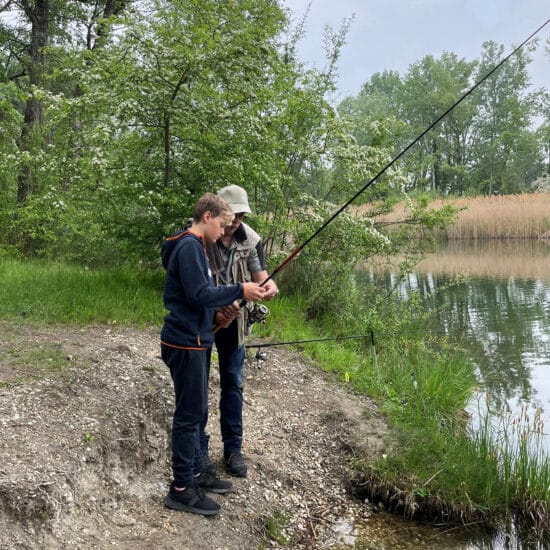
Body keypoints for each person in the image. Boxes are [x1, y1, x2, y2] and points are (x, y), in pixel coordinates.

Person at [160, 193, 266, 516]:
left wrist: (218, 317)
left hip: (196, 339)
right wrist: (240, 289)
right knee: (189, 416)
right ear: (207, 217)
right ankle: (181, 488)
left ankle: (195, 471)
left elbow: (199, 300)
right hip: (185, 343)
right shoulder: (190, 247)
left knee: (197, 409)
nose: (225, 230)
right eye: (222, 223)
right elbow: (199, 294)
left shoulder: (198, 247)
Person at [201, 185, 278, 478]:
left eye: (241, 215)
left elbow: (261, 277)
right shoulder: (203, 235)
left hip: (236, 323)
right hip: (204, 320)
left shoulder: (251, 239)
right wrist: (215, 310)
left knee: (233, 383)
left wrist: (269, 288)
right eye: (232, 214)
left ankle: (233, 450)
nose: (236, 221)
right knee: (200, 386)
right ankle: (201, 452)